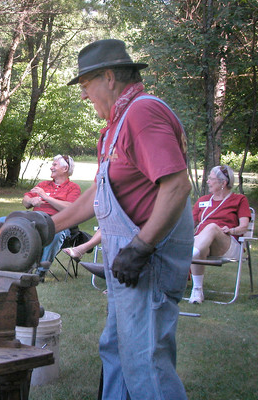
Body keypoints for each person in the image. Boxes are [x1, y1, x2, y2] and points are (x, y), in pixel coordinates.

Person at [52, 39, 193, 399]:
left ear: (110, 77)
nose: (84, 96)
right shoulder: (116, 125)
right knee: (115, 350)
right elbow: (99, 195)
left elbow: (177, 185)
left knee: (146, 363)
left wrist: (142, 246)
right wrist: (47, 226)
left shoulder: (143, 114)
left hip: (146, 263)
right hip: (126, 262)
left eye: (86, 85)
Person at [0, 154, 81, 271]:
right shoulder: (43, 184)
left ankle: (40, 271)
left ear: (65, 169)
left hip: (56, 223)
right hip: (34, 221)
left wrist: (45, 197)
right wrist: (31, 200)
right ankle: (14, 262)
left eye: (54, 165)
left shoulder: (73, 188)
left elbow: (70, 208)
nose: (51, 167)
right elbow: (25, 202)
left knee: (56, 233)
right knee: (2, 222)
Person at [189, 165, 251, 304]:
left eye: (211, 179)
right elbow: (189, 226)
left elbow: (244, 227)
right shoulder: (203, 200)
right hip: (202, 243)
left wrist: (231, 230)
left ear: (223, 183)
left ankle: (188, 254)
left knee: (211, 227)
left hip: (227, 245)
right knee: (200, 240)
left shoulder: (239, 200)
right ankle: (197, 290)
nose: (208, 181)